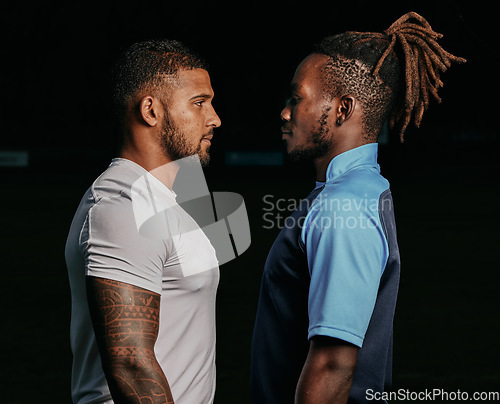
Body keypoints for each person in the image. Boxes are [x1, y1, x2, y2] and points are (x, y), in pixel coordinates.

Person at [251, 12, 465, 404]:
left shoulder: (342, 205)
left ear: (343, 109)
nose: (285, 112)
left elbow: (333, 365)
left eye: (297, 99)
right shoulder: (364, 188)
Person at [65, 39, 221, 404]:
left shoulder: (162, 201)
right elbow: (130, 364)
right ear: (151, 110)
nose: (214, 118)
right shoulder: (123, 207)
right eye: (199, 102)